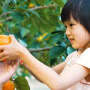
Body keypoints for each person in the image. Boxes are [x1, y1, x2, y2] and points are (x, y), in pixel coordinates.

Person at [0, 0, 90, 89]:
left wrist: (22, 53)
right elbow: (48, 75)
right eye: (66, 26)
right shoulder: (75, 56)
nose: (67, 32)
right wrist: (22, 58)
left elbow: (59, 83)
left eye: (71, 25)